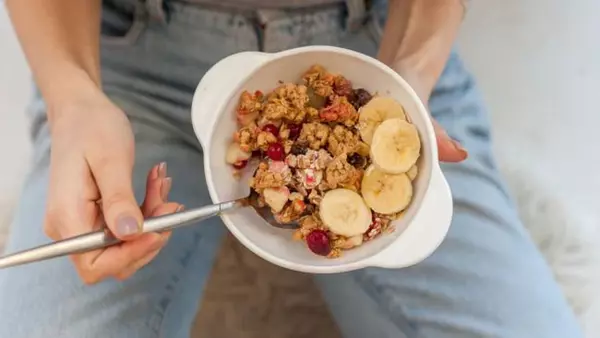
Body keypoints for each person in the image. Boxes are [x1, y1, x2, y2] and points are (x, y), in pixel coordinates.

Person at [0, 0, 582, 337]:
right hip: (129, 65)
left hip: (380, 51)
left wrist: (408, 80)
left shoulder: (392, 113)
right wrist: (71, 94)